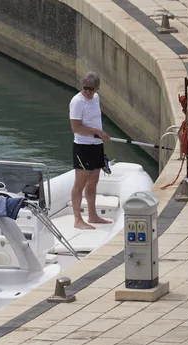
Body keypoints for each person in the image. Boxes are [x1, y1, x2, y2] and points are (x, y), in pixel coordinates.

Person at [69, 72, 111, 230]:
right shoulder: (77, 102)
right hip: (83, 146)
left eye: (91, 89)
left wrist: (99, 134)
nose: (87, 92)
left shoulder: (96, 98)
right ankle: (77, 219)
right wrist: (98, 132)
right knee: (80, 183)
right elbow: (76, 128)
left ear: (97, 89)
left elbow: (94, 119)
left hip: (97, 145)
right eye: (85, 88)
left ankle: (92, 215)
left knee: (93, 181)